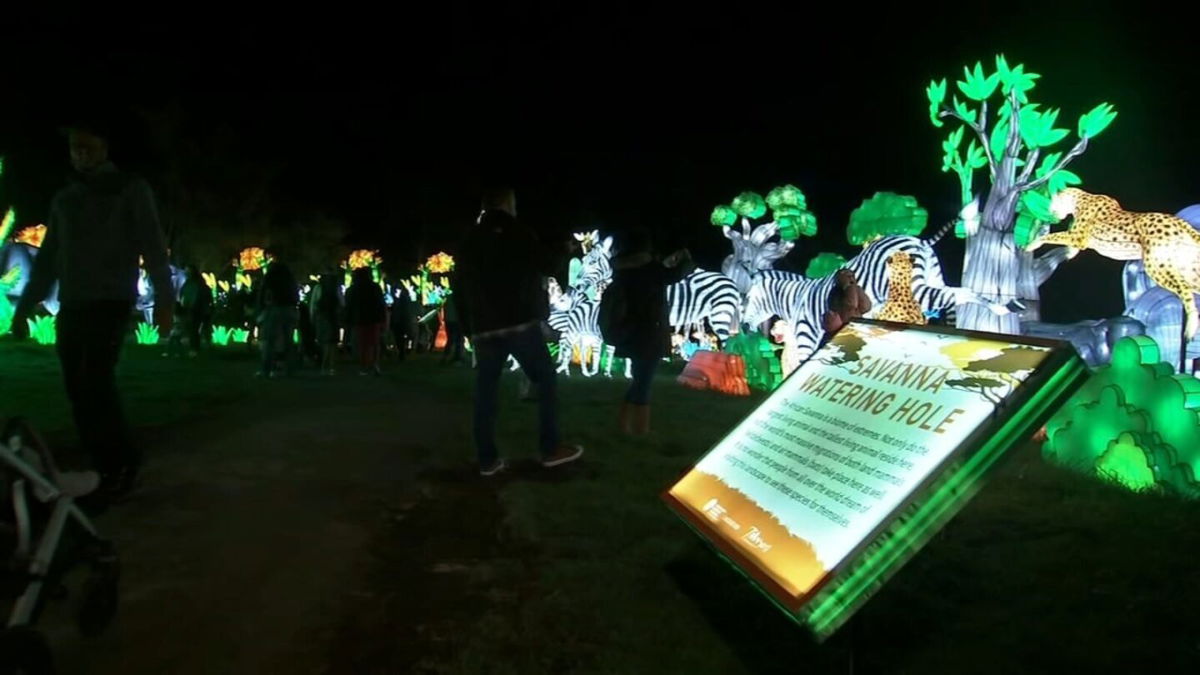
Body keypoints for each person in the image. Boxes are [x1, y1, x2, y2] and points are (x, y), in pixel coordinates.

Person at [11, 118, 172, 499]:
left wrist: (165, 301)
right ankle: (102, 462)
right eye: (75, 148)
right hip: (74, 302)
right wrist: (25, 306)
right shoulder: (65, 199)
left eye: (88, 146)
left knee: (95, 380)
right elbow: (49, 256)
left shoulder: (130, 190)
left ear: (104, 149)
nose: (81, 154)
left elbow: (152, 245)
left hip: (111, 299)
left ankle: (120, 462)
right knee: (76, 385)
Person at [457, 187, 583, 476]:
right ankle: (550, 449)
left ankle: (487, 459)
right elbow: (546, 264)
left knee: (486, 391)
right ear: (507, 204)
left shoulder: (469, 240)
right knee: (546, 379)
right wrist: (563, 250)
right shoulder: (519, 232)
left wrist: (469, 327)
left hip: (484, 327)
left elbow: (460, 287)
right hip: (519, 321)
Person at [607, 228, 692, 435]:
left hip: (630, 331)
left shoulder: (623, 269)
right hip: (650, 333)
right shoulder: (650, 270)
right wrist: (686, 258)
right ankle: (639, 429)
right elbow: (678, 273)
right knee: (643, 382)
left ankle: (625, 425)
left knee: (640, 379)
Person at [256, 260, 299, 377]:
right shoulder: (290, 279)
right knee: (288, 341)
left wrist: (260, 309)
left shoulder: (270, 277)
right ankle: (289, 369)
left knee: (269, 340)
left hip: (273, 308)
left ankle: (267, 369)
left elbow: (262, 293)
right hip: (289, 309)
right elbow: (296, 295)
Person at [344, 266, 386, 375]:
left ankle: (363, 366)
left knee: (361, 344)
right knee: (374, 343)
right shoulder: (375, 287)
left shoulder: (352, 289)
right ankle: (375, 364)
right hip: (373, 319)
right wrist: (383, 319)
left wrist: (347, 320)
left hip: (358, 320)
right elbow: (381, 305)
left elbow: (348, 306)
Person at [822, 268, 871, 337]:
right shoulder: (834, 293)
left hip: (857, 328)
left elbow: (866, 307)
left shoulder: (855, 288)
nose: (851, 279)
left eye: (852, 276)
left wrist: (854, 287)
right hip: (843, 331)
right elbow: (850, 306)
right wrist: (848, 287)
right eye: (848, 277)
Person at [310, 271, 342, 374]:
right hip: (333, 316)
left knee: (323, 342)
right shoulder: (336, 288)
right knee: (333, 342)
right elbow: (342, 303)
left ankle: (323, 365)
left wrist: (312, 317)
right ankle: (332, 366)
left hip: (321, 316)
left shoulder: (318, 288)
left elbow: (313, 304)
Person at [178, 265, 212, 355]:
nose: (186, 273)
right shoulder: (188, 283)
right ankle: (193, 347)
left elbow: (204, 296)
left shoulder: (198, 284)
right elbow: (182, 294)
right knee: (191, 329)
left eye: (188, 271)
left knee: (195, 329)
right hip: (189, 309)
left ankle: (195, 348)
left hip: (197, 310)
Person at [390, 285, 415, 361]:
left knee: (399, 338)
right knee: (406, 337)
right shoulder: (409, 302)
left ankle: (402, 351)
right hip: (404, 322)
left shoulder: (397, 302)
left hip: (399, 322)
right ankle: (405, 350)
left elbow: (394, 312)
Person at [440, 290, 465, 365]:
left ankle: (446, 357)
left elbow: (445, 308)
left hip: (449, 320)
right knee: (459, 340)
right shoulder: (461, 298)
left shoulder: (449, 297)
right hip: (457, 321)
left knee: (450, 340)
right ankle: (457, 358)